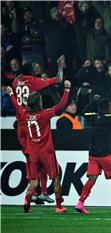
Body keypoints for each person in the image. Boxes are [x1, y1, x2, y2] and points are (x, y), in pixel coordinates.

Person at [7, 80, 71, 213]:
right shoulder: (44, 114)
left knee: (33, 181)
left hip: (33, 153)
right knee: (55, 178)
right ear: (39, 102)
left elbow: (16, 105)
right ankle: (59, 206)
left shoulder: (24, 114)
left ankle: (26, 202)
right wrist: (66, 90)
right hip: (47, 152)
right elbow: (61, 105)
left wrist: (11, 93)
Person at [12, 55, 65, 205]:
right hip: (34, 122)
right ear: (31, 71)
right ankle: (41, 192)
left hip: (22, 123)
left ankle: (37, 193)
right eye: (34, 68)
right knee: (40, 157)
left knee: (31, 159)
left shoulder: (16, 82)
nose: (37, 69)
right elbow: (58, 80)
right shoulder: (34, 82)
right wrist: (60, 67)